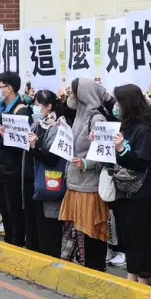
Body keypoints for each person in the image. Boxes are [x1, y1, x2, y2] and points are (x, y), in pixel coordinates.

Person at [59, 79, 110, 271]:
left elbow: (106, 156)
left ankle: (95, 270)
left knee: (90, 235)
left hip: (89, 187)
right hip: (74, 184)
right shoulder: (79, 116)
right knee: (75, 232)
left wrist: (88, 163)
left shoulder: (97, 119)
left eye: (74, 92)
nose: (71, 95)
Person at [110, 84, 151, 284]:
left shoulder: (144, 129)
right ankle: (132, 274)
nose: (116, 106)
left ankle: (144, 278)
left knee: (141, 237)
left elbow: (140, 162)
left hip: (142, 192)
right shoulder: (123, 126)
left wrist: (121, 150)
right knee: (129, 236)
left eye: (119, 102)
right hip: (124, 190)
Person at [0, 71, 32, 248]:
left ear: (11, 88)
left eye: (0, 87)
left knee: (14, 210)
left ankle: (17, 242)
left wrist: (1, 134)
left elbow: (19, 143)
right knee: (4, 209)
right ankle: (9, 240)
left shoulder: (21, 111)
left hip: (13, 169)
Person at [28, 89, 65, 257]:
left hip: (51, 183)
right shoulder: (38, 124)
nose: (35, 108)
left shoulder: (58, 126)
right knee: (39, 226)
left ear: (49, 106)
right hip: (38, 181)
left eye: (38, 104)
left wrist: (35, 147)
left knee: (50, 227)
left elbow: (52, 158)